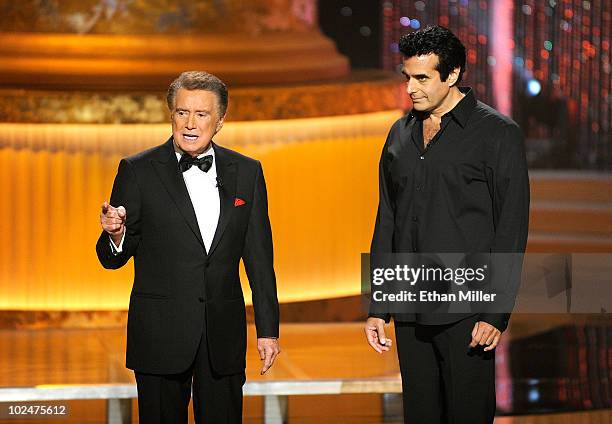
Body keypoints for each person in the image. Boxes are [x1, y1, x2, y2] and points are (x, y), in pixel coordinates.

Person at [364, 26, 529, 423]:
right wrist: (379, 303)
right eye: (407, 77)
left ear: (452, 73)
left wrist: (495, 311)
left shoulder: (497, 133)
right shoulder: (399, 133)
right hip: (409, 302)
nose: (411, 88)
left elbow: (511, 226)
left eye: (422, 78)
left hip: (467, 306)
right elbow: (388, 216)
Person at [96, 71, 280, 423]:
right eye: (182, 113)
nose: (190, 124)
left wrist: (268, 330)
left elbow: (259, 259)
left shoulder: (247, 171)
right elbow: (111, 258)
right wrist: (116, 234)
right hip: (160, 334)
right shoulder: (138, 171)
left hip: (222, 336)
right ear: (171, 115)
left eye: (201, 114)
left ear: (220, 121)